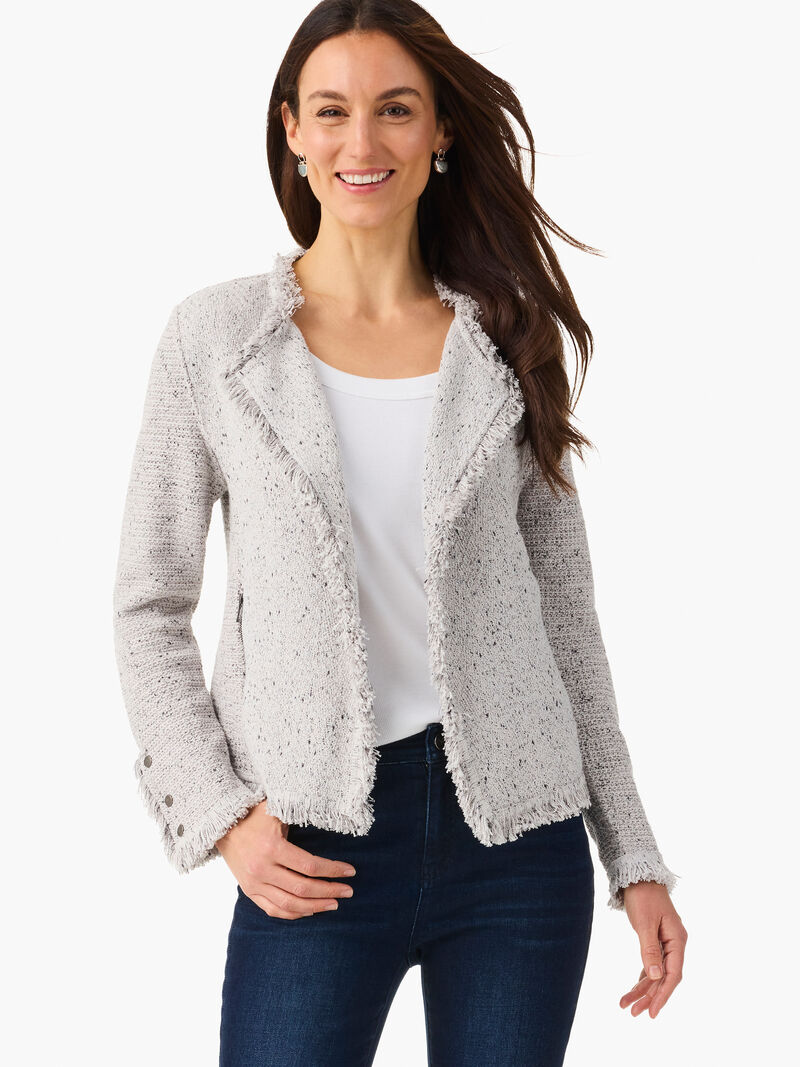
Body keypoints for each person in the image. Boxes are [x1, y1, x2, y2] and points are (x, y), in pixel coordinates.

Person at [112, 2, 688, 1063]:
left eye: (394, 109)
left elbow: (566, 619)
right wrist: (222, 813)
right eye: (331, 111)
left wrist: (633, 854)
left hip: (517, 844)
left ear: (440, 132)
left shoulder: (506, 337)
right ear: (292, 129)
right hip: (313, 840)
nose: (361, 142)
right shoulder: (214, 339)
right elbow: (149, 606)